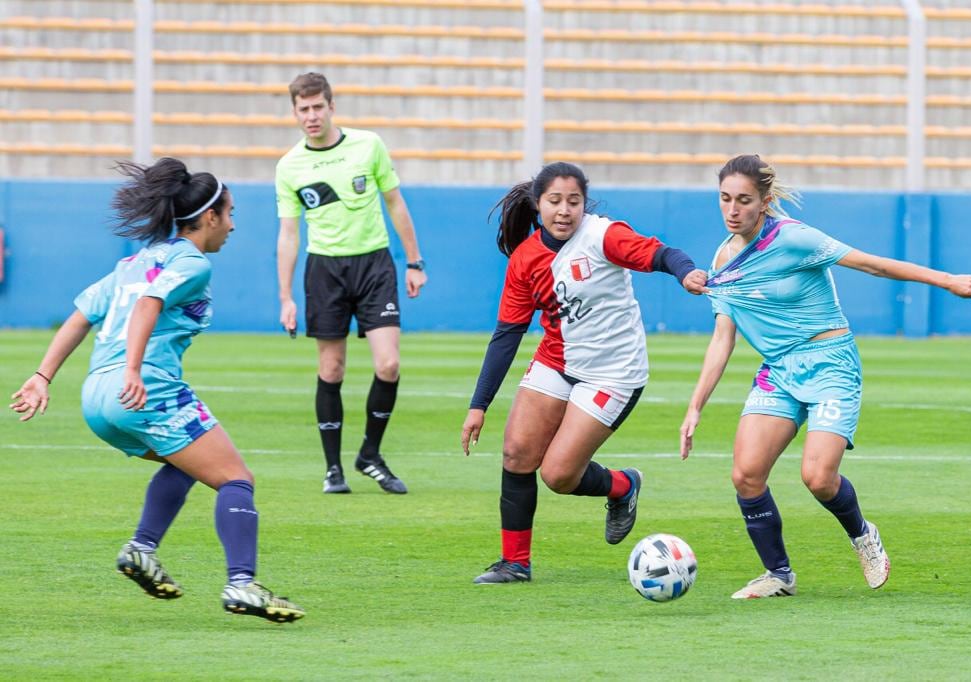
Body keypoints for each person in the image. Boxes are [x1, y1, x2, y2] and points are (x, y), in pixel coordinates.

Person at [680, 153, 971, 599]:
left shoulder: (794, 238)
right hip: (779, 372)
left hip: (830, 364)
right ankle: (779, 575)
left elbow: (873, 264)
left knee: (818, 478)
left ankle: (862, 533)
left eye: (744, 200)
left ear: (764, 202)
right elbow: (722, 339)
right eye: (725, 199)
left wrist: (947, 280)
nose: (732, 210)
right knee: (746, 474)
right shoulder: (724, 259)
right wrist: (695, 406)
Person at [9, 158, 305, 623]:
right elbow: (150, 303)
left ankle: (142, 549)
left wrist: (43, 375)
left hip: (96, 399)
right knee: (235, 479)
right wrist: (133, 370)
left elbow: (82, 314)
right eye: (229, 214)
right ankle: (242, 584)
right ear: (209, 217)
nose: (231, 225)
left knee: (184, 462)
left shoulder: (135, 260)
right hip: (143, 390)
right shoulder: (191, 262)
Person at [461, 161, 706, 584]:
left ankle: (623, 487)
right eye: (554, 201)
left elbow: (662, 253)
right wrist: (478, 405)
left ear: (584, 204)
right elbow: (507, 335)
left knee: (558, 475)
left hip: (614, 372)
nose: (564, 210)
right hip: (557, 361)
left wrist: (686, 273)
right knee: (517, 452)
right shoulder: (525, 259)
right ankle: (514, 563)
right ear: (538, 205)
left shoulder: (603, 236)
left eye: (573, 201)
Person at [276, 72, 426, 496]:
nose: (311, 115)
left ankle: (370, 455)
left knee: (389, 365)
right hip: (325, 270)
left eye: (317, 107)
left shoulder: (368, 145)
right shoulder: (290, 166)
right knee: (332, 368)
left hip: (374, 265)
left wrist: (414, 261)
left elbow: (395, 203)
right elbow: (289, 234)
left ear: (331, 106)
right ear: (295, 112)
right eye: (303, 109)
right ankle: (333, 469)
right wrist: (286, 296)